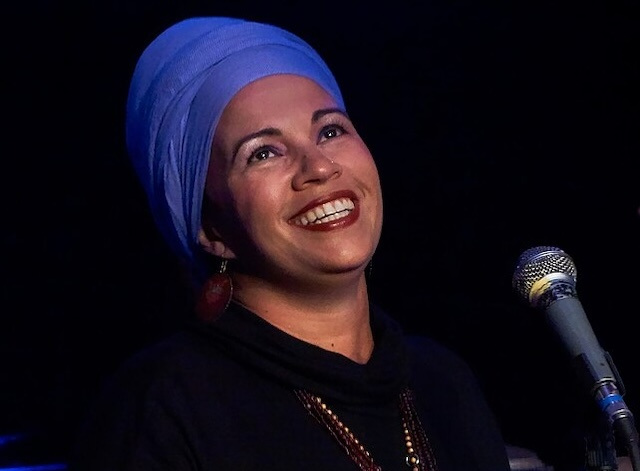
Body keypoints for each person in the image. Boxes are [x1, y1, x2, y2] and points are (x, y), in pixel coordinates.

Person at [67, 16, 513, 471]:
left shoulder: (443, 383)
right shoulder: (162, 407)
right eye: (263, 153)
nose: (318, 167)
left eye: (331, 131)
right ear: (210, 228)